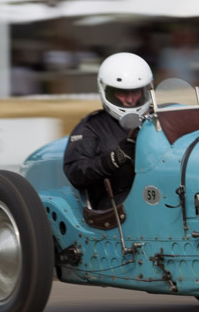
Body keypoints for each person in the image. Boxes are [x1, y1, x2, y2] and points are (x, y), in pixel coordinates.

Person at [63, 52, 153, 209]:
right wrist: (114, 159)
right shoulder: (91, 127)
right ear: (107, 91)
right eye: (123, 92)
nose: (131, 99)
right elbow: (75, 173)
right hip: (115, 204)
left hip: (159, 195)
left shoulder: (157, 118)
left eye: (136, 91)